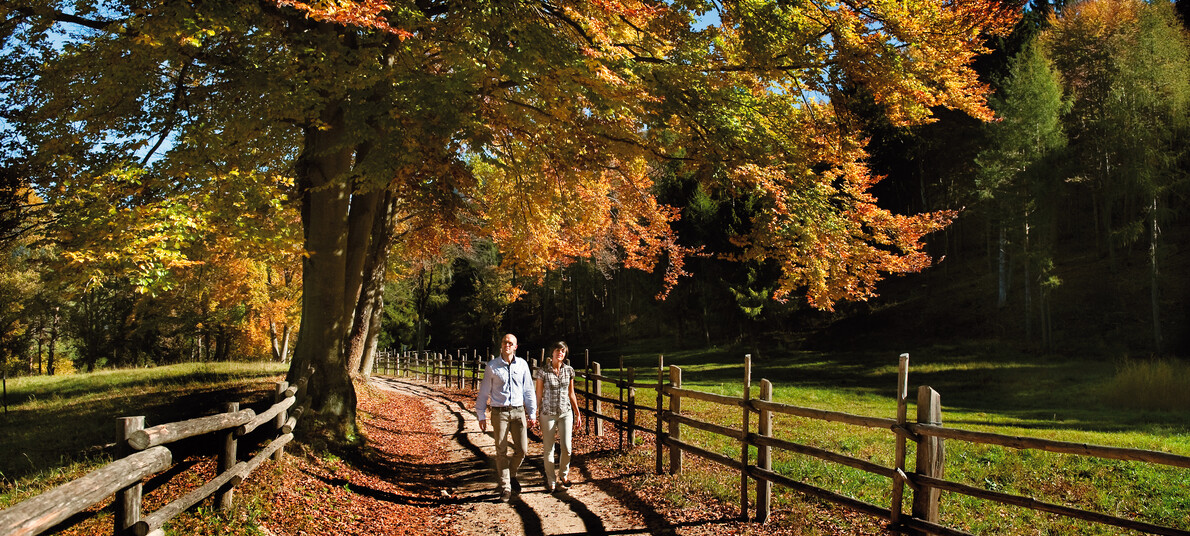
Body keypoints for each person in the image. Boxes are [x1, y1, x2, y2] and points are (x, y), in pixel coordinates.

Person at [476, 333, 538, 502]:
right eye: (505, 342)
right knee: (501, 450)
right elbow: (483, 392)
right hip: (499, 412)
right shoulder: (492, 367)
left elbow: (529, 391)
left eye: (511, 343)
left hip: (518, 412)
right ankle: (506, 487)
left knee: (522, 450)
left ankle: (510, 474)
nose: (507, 345)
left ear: (516, 347)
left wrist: (532, 412)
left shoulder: (523, 365)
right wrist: (481, 414)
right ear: (501, 345)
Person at [534, 340, 582, 493]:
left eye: (562, 351)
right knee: (549, 448)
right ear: (552, 353)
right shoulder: (543, 371)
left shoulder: (569, 371)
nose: (560, 353)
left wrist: (577, 413)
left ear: (565, 354)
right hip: (547, 413)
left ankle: (563, 474)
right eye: (557, 350)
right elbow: (539, 394)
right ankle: (551, 479)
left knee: (567, 448)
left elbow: (571, 393)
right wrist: (534, 412)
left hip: (565, 413)